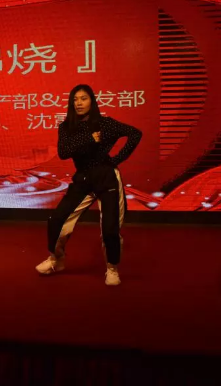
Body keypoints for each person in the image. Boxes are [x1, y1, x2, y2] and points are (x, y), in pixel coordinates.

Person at [35, 84, 142, 285]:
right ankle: (56, 260)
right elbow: (64, 152)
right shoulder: (66, 127)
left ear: (92, 101)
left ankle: (112, 268)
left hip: (106, 177)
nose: (79, 103)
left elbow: (135, 133)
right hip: (83, 179)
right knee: (56, 220)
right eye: (75, 99)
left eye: (83, 98)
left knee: (110, 228)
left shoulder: (105, 124)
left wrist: (117, 159)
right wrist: (90, 139)